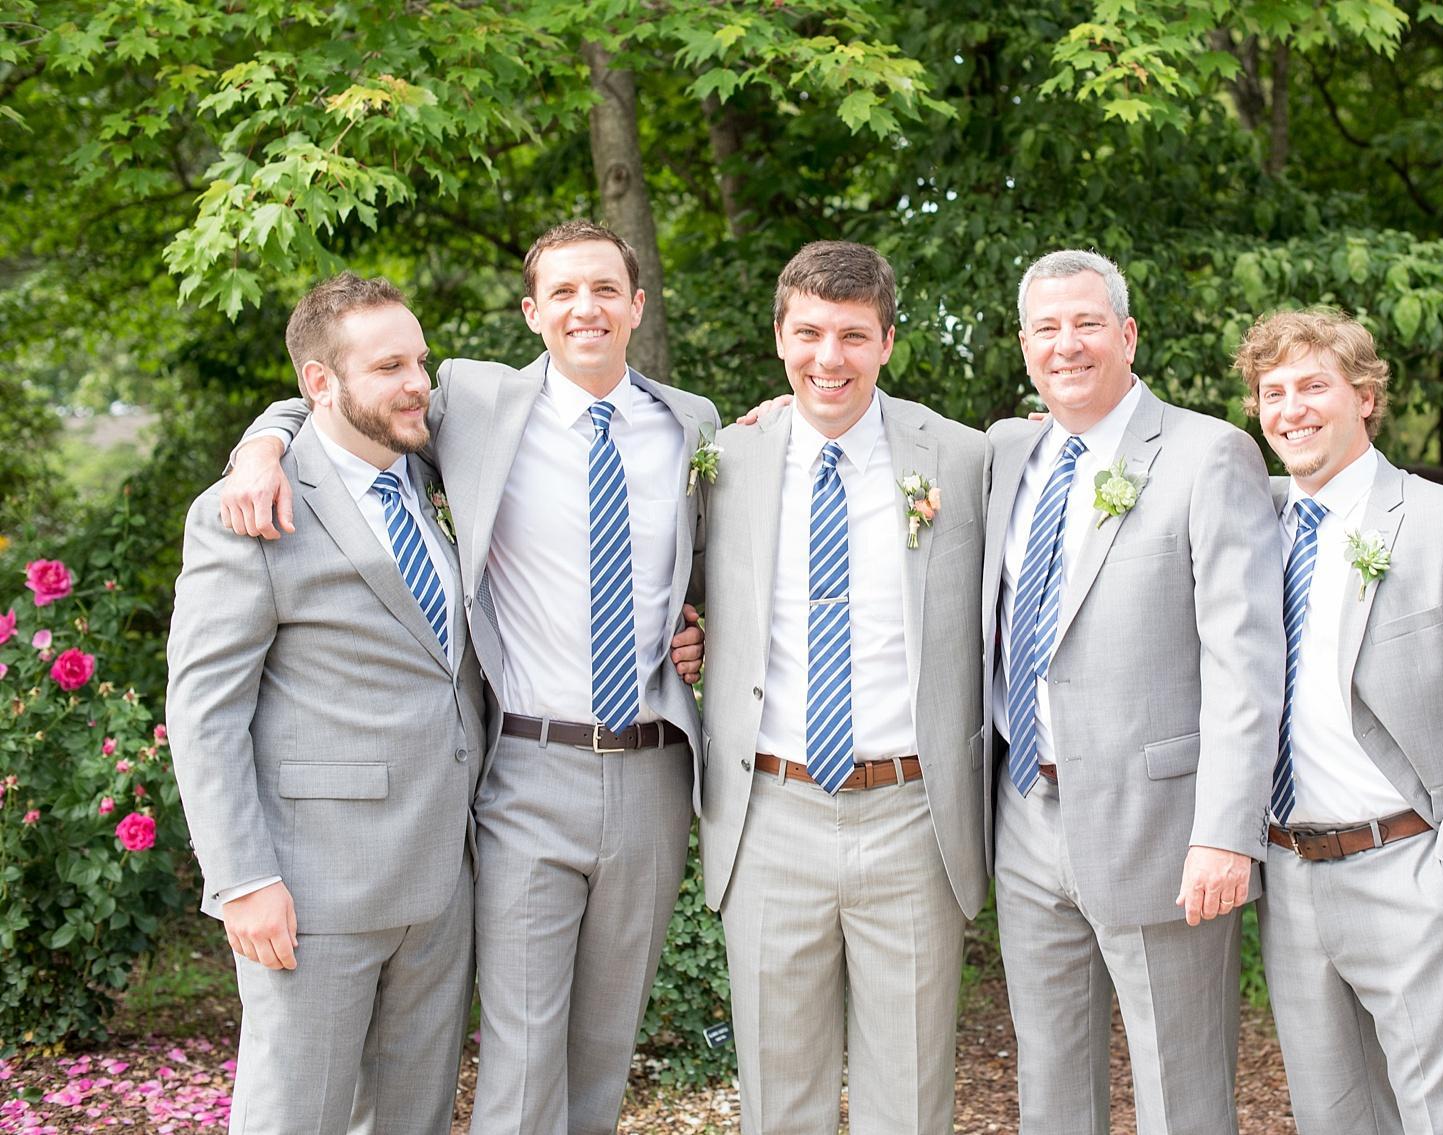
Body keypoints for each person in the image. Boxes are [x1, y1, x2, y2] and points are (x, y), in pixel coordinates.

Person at [219, 221, 718, 1135]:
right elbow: (338, 402)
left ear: (638, 305)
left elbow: (720, 568)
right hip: (526, 766)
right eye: (562, 292)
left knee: (606, 1048)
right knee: (522, 1056)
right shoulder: (474, 405)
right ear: (531, 312)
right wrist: (258, 445)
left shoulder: (694, 424)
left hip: (653, 768)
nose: (586, 308)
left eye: (605, 289)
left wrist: (704, 634)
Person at [168, 273, 483, 1132]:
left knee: (412, 1119)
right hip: (314, 893)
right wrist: (242, 880)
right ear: (320, 383)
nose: (417, 381)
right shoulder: (249, 511)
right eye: (388, 365)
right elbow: (205, 711)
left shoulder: (422, 469)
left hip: (440, 884)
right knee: (295, 1115)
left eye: (419, 358)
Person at [983, 249, 1284, 1134]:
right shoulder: (1004, 452)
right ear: (1025, 344)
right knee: (1050, 1090)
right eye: (1046, 327)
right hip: (1025, 816)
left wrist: (1226, 832)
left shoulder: (1207, 454)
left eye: (1085, 323)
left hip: (1165, 830)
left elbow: (1246, 661)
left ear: (1127, 334)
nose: (1065, 344)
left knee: (1181, 1094)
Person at [1237, 307, 1443, 1134]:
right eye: (1273, 392)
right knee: (1334, 1117)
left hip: (1416, 864)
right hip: (1292, 878)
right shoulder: (1248, 518)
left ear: (1365, 396)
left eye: (1314, 385)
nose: (1292, 408)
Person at [697, 241, 988, 1133]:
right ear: (779, 335)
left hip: (910, 814)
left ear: (888, 342)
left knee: (909, 1099)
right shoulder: (722, 460)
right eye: (811, 333)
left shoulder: (966, 460)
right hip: (768, 811)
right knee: (779, 1099)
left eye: (854, 336)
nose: (831, 357)